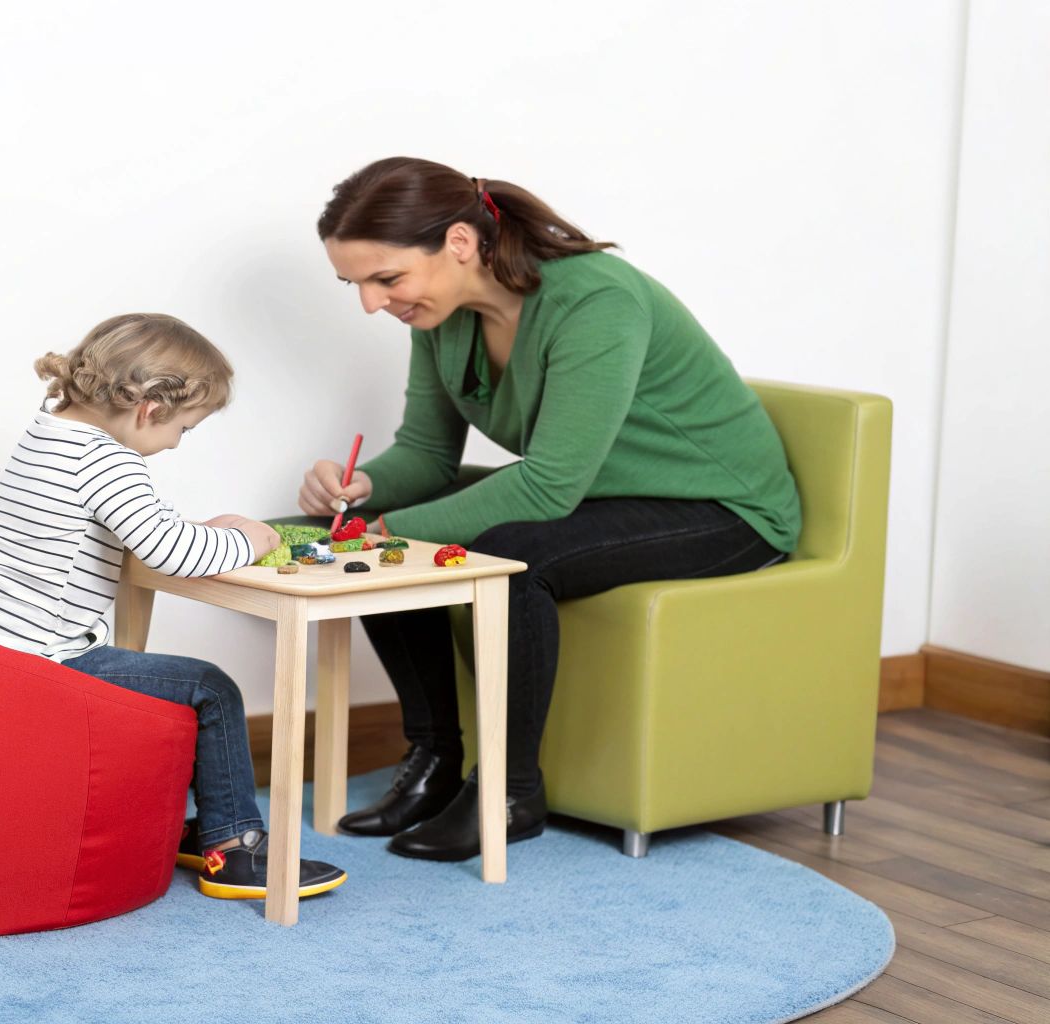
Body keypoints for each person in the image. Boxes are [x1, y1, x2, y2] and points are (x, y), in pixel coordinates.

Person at [301, 157, 800, 862]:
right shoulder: (441, 316)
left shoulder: (597, 300)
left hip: (721, 508)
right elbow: (424, 456)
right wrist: (360, 494)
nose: (373, 304)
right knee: (394, 524)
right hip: (605, 495)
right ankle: (435, 758)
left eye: (387, 279)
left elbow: (548, 490)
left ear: (461, 244)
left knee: (511, 556)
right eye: (356, 285)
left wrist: (384, 537)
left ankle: (509, 791)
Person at [0, 312, 348, 900]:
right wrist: (255, 537)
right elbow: (173, 553)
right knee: (211, 688)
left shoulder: (47, 433)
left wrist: (195, 531)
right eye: (185, 428)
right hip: (33, 658)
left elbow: (128, 529)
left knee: (170, 685)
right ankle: (237, 852)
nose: (177, 443)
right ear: (150, 410)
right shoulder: (106, 460)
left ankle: (206, 827)